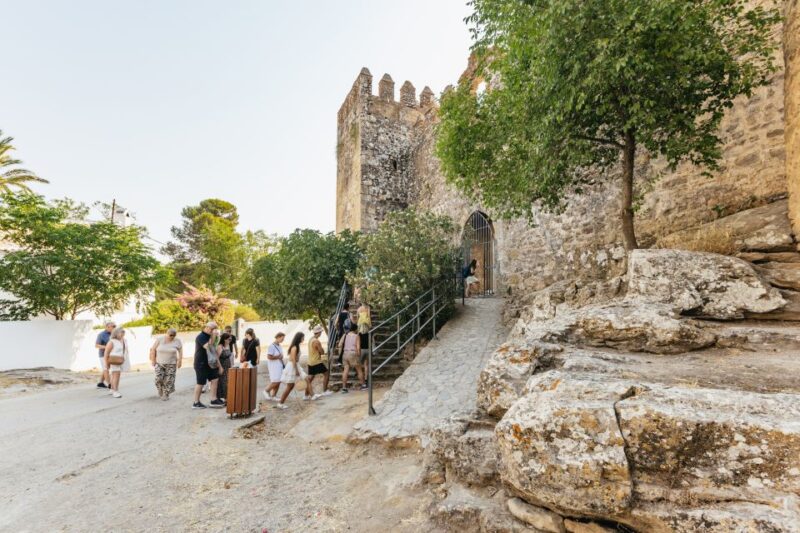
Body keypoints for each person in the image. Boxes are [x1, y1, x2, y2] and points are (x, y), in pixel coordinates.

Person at [192, 321, 224, 409]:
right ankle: (196, 402)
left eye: (214, 329)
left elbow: (213, 347)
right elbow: (209, 347)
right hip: (201, 363)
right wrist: (213, 336)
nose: (213, 330)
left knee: (215, 379)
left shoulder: (209, 336)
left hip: (210, 362)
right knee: (201, 382)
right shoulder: (201, 336)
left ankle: (213, 400)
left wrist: (219, 365)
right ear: (207, 327)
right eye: (212, 329)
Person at [149, 328, 183, 401]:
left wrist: (180, 361)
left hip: (172, 363)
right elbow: (153, 349)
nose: (172, 337)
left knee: (169, 380)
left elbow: (180, 351)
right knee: (158, 378)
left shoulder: (177, 341)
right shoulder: (160, 339)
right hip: (159, 362)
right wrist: (153, 360)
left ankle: (166, 394)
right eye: (171, 335)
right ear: (166, 334)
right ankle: (160, 389)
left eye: (174, 335)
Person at [276, 332, 306, 409]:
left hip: (294, 365)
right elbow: (293, 359)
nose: (303, 339)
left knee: (291, 385)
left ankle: (309, 395)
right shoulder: (294, 347)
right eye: (303, 337)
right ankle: (280, 403)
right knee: (289, 386)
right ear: (299, 338)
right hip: (292, 366)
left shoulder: (296, 346)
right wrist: (296, 370)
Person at [103, 327, 130, 398]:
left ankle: (112, 389)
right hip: (114, 360)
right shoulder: (112, 341)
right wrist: (106, 364)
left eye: (123, 333)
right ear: (116, 333)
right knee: (116, 375)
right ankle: (116, 391)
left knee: (114, 375)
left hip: (122, 360)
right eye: (121, 333)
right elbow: (106, 354)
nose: (123, 335)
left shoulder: (124, 340)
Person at [306, 325, 331, 399]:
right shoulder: (316, 341)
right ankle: (325, 391)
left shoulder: (311, 339)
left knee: (309, 379)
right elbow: (322, 352)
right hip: (317, 361)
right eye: (321, 332)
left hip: (310, 361)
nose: (321, 333)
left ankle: (306, 395)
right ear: (319, 332)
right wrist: (322, 350)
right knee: (326, 374)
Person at [339, 322, 366, 393]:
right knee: (359, 369)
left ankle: (344, 388)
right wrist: (359, 355)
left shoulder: (345, 335)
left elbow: (340, 344)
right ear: (355, 329)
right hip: (353, 353)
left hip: (345, 353)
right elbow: (358, 347)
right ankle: (363, 385)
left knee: (345, 370)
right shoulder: (357, 336)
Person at [263, 332, 285, 401]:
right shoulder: (271, 346)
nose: (283, 340)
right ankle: (266, 391)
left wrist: (281, 358)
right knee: (275, 381)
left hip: (279, 366)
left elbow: (280, 356)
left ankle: (274, 395)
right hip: (274, 366)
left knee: (279, 381)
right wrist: (278, 357)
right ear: (278, 337)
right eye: (282, 338)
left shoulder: (279, 346)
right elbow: (269, 357)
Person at [95, 321, 115, 389]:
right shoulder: (101, 335)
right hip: (103, 355)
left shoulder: (114, 334)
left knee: (106, 368)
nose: (114, 327)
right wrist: (106, 347)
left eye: (114, 326)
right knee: (106, 369)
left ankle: (100, 383)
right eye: (113, 326)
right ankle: (109, 384)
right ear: (107, 327)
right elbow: (97, 345)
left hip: (111, 354)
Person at [217, 332, 234, 402]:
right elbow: (217, 358)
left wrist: (232, 365)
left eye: (230, 339)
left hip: (228, 366)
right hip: (222, 366)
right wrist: (220, 367)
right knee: (223, 382)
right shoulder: (220, 346)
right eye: (228, 339)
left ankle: (227, 397)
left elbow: (230, 357)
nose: (230, 341)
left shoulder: (228, 346)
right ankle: (223, 398)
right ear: (224, 339)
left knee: (228, 382)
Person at [357, 302, 371, 372]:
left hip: (360, 323)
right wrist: (370, 325)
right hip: (366, 323)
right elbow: (368, 316)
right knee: (366, 363)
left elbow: (358, 317)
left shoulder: (358, 308)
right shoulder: (367, 308)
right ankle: (366, 377)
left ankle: (359, 373)